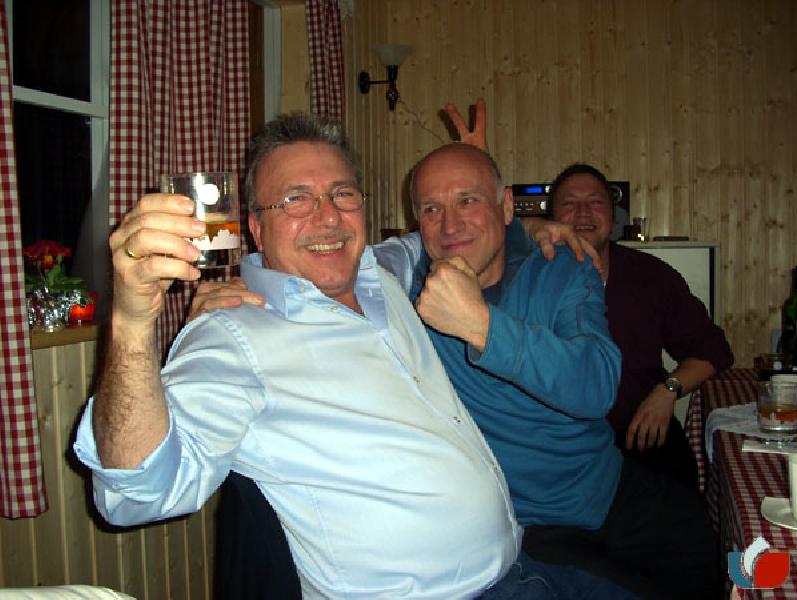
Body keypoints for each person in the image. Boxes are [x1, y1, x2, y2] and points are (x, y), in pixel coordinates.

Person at [72, 112, 635, 600]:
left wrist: (525, 223)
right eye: (295, 199)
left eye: (342, 194)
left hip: (522, 568)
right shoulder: (232, 336)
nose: (327, 217)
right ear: (256, 228)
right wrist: (132, 321)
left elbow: (453, 233)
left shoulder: (384, 272)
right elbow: (137, 491)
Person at [191, 135, 717, 598]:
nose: (451, 224)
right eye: (432, 209)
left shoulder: (560, 267)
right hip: (527, 527)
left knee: (707, 552)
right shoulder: (399, 289)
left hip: (603, 486)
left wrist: (483, 324)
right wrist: (244, 284)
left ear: (505, 206)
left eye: (469, 201)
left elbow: (596, 387)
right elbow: (325, 259)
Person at [547, 163, 735, 489]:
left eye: (595, 202)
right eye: (569, 203)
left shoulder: (651, 276)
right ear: (551, 218)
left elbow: (713, 350)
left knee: (683, 511)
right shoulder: (532, 279)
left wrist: (668, 390)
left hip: (641, 436)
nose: (583, 212)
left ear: (613, 216)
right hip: (560, 448)